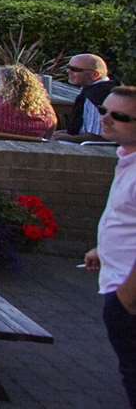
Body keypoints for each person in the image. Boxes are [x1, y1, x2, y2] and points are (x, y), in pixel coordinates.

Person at [84, 85, 136, 405]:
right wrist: (102, 249)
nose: (106, 119)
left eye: (118, 116)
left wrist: (127, 297)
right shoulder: (126, 158)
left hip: (127, 294)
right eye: (104, 110)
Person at [59, 54, 116, 141]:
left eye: (75, 69)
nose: (68, 71)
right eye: (68, 67)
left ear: (95, 75)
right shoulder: (111, 88)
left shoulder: (97, 95)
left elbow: (97, 137)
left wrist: (68, 138)